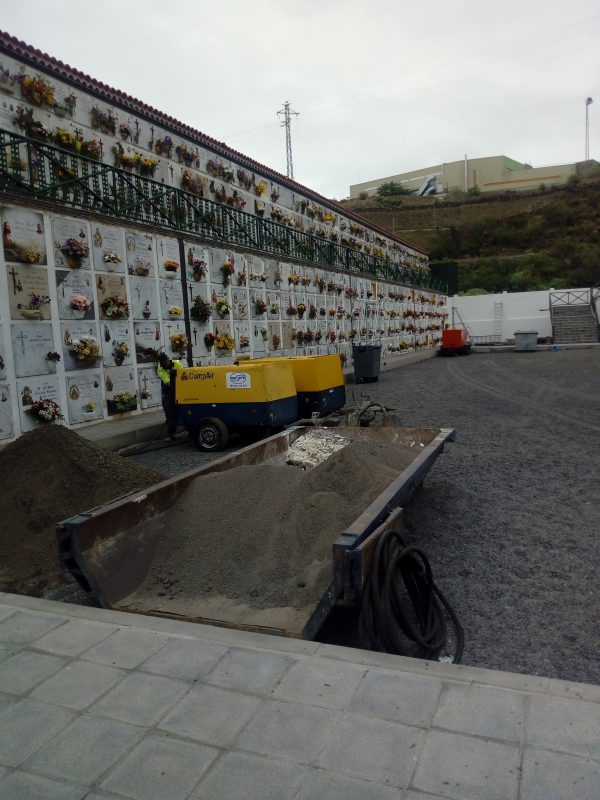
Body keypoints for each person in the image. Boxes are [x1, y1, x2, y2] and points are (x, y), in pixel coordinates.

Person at [156, 352, 182, 440]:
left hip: (178, 390)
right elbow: (168, 383)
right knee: (168, 412)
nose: (164, 364)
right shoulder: (160, 369)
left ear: (168, 359)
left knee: (182, 410)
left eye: (165, 361)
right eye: (162, 363)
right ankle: (171, 434)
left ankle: (191, 430)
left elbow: (182, 374)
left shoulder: (176, 363)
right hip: (167, 392)